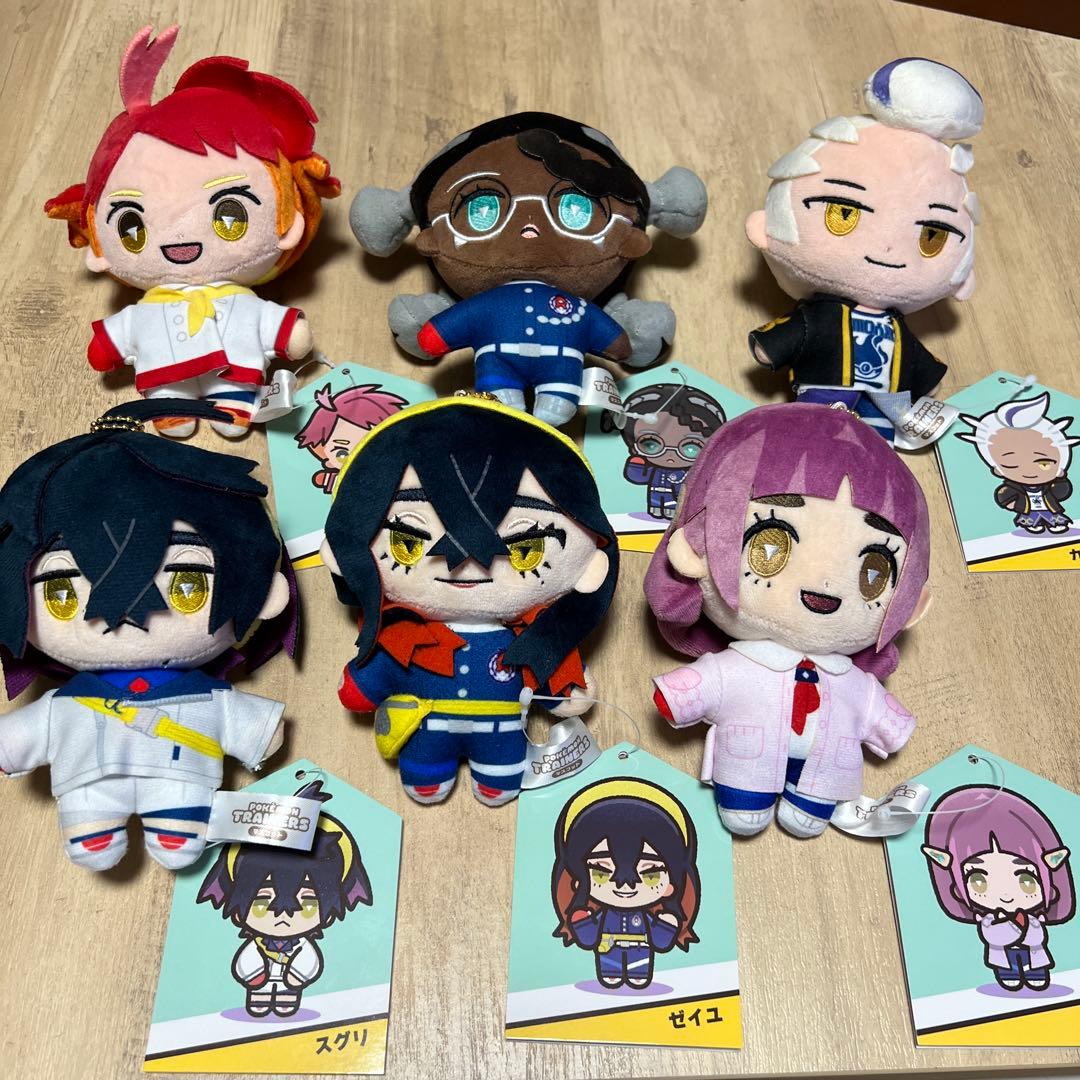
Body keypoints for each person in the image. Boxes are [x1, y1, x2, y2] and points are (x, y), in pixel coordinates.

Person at [0, 400, 297, 870]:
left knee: (177, 833)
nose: (127, 620)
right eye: (61, 593)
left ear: (266, 596)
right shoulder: (67, 703)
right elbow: (25, 732)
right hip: (90, 785)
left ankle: (170, 828)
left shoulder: (205, 696)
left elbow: (241, 720)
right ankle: (99, 829)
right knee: (94, 825)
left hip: (179, 782)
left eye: (187, 585)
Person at [645, 403, 931, 838]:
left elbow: (880, 713)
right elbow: (703, 683)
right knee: (744, 808)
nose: (826, 583)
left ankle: (809, 803)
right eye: (771, 546)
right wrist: (676, 698)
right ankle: (747, 797)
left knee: (810, 809)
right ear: (694, 551)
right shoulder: (739, 665)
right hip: (746, 760)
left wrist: (892, 729)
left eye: (874, 571)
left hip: (828, 770)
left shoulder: (853, 682)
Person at [322, 397, 618, 806]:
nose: (467, 566)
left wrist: (565, 690)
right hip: (426, 729)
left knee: (501, 772)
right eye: (407, 543)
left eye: (526, 549)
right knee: (425, 765)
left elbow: (551, 672)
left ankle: (497, 776)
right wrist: (363, 685)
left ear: (588, 566)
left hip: (502, 733)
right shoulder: (404, 636)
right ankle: (428, 771)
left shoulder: (532, 639)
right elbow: (376, 674)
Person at [45, 25, 339, 437]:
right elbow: (116, 338)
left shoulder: (242, 302)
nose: (181, 239)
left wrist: (289, 332)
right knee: (168, 393)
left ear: (288, 223)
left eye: (230, 215)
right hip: (165, 377)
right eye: (132, 226)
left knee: (236, 388)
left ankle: (233, 402)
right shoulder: (146, 310)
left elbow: (278, 327)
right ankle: (171, 406)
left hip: (236, 371)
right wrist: (106, 346)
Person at [350, 112, 707, 425]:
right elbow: (447, 329)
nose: (530, 229)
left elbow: (615, 341)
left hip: (559, 360)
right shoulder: (488, 305)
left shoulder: (553, 307)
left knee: (554, 397)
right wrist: (433, 331)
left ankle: (563, 385)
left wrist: (623, 340)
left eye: (575, 210)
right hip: (505, 370)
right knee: (507, 400)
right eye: (484, 208)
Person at [746, 58, 983, 442]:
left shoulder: (894, 326)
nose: (888, 249)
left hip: (888, 404)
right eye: (844, 214)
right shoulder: (822, 316)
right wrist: (771, 347)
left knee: (873, 447)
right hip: (825, 396)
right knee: (814, 436)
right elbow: (795, 333)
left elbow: (915, 358)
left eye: (932, 236)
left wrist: (926, 378)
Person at [199, 780, 372, 1017]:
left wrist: (296, 977)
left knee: (286, 995)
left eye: (309, 901)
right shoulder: (257, 944)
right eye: (262, 900)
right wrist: (254, 976)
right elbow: (246, 961)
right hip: (258, 981)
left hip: (292, 985)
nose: (283, 914)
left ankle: (286, 997)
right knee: (258, 995)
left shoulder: (301, 944)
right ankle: (259, 997)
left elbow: (309, 962)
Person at [551, 777, 700, 989]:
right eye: (601, 873)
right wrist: (581, 921)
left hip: (640, 952)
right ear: (578, 879)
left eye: (650, 875)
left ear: (670, 885)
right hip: (608, 950)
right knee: (609, 965)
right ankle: (611, 973)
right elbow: (588, 938)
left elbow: (660, 941)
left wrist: (667, 924)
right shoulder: (604, 915)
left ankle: (638, 974)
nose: (625, 886)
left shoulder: (645, 917)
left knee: (639, 967)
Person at [923, 786, 1074, 992]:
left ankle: (1035, 973)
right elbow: (992, 937)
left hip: (1034, 953)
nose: (1005, 895)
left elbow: (1037, 939)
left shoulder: (1034, 919)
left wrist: (1027, 928)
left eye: (1026, 880)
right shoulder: (987, 920)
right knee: (1008, 966)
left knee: (1035, 965)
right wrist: (1013, 928)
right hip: (1003, 953)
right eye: (978, 880)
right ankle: (1010, 973)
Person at [956, 392, 1076, 535]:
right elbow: (1004, 494)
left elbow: (1061, 492)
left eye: (1043, 464)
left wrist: (1061, 480)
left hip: (1050, 508)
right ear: (998, 469)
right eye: (1011, 464)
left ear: (1059, 467)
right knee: (1031, 520)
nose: (1029, 471)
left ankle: (1054, 524)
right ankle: (1034, 525)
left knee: (1054, 518)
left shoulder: (1051, 485)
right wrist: (1010, 503)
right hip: (1027, 510)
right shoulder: (1013, 487)